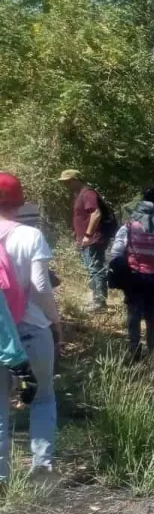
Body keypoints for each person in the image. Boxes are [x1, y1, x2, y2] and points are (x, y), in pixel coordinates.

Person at [0, 173, 61, 481]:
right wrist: (54, 319)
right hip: (32, 328)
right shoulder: (30, 236)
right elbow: (40, 286)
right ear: (19, 202)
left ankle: (2, 481)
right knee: (44, 396)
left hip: (0, 337)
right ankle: (42, 467)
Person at [110, 187, 154, 356]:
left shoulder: (128, 228)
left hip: (134, 278)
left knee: (134, 315)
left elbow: (116, 252)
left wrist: (118, 269)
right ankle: (152, 350)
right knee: (152, 315)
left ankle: (134, 350)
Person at [61, 170, 111, 312]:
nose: (66, 184)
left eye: (68, 181)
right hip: (87, 239)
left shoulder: (88, 193)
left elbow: (96, 213)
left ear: (77, 179)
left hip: (93, 239)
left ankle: (100, 303)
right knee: (92, 269)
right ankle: (97, 300)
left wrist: (88, 235)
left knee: (95, 269)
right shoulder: (79, 194)